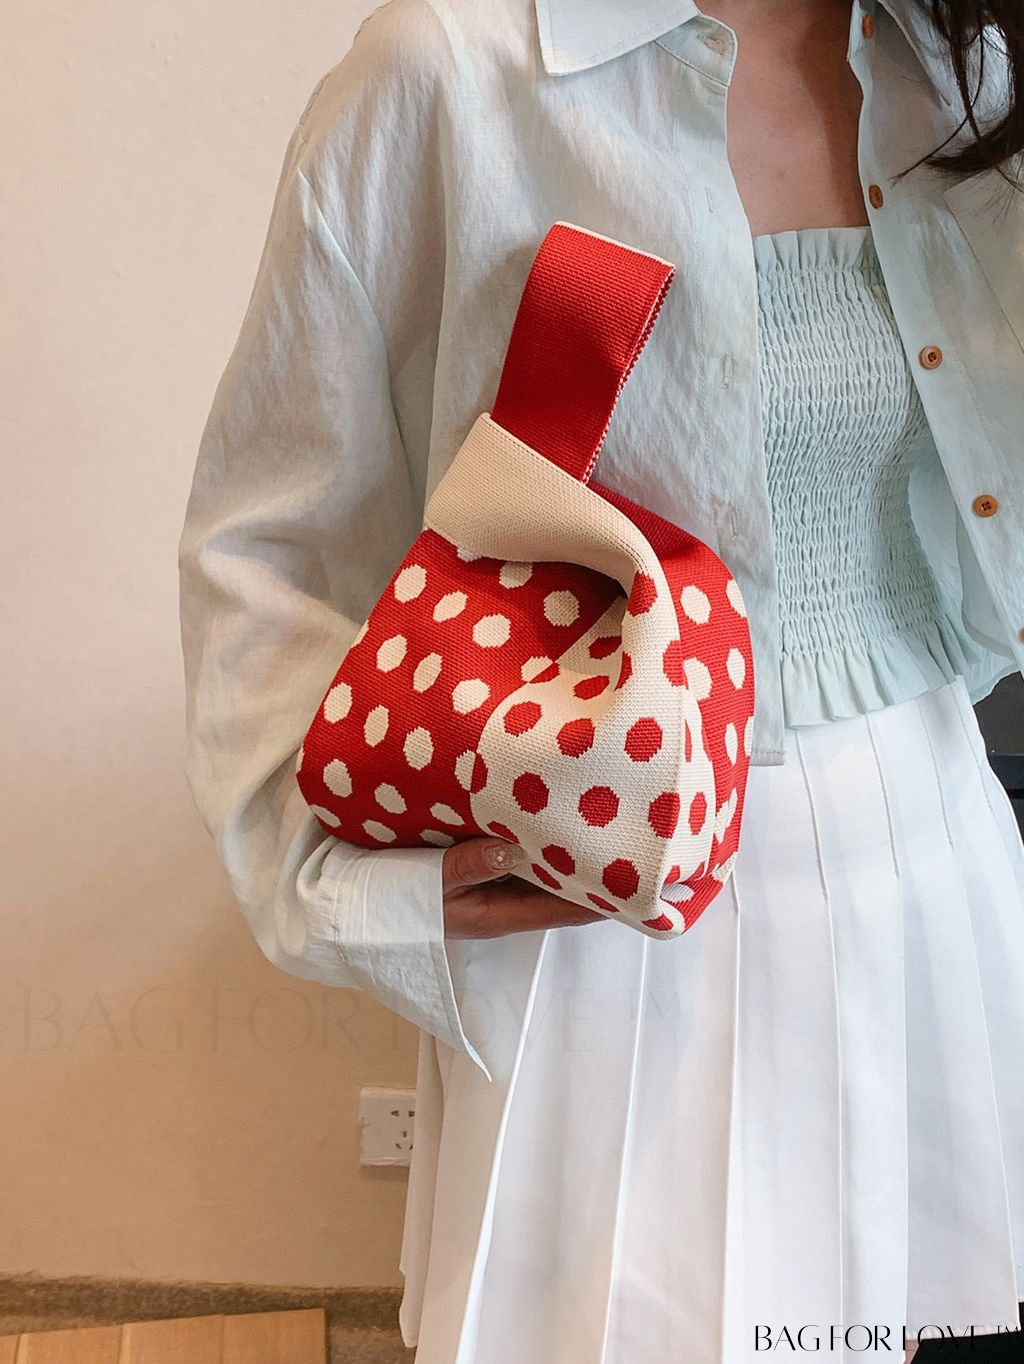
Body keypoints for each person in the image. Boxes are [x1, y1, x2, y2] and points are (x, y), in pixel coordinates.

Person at [177, 0, 1024, 1358]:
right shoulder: (447, 72)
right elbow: (269, 537)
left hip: (928, 852)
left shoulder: (957, 63)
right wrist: (349, 879)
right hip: (603, 913)